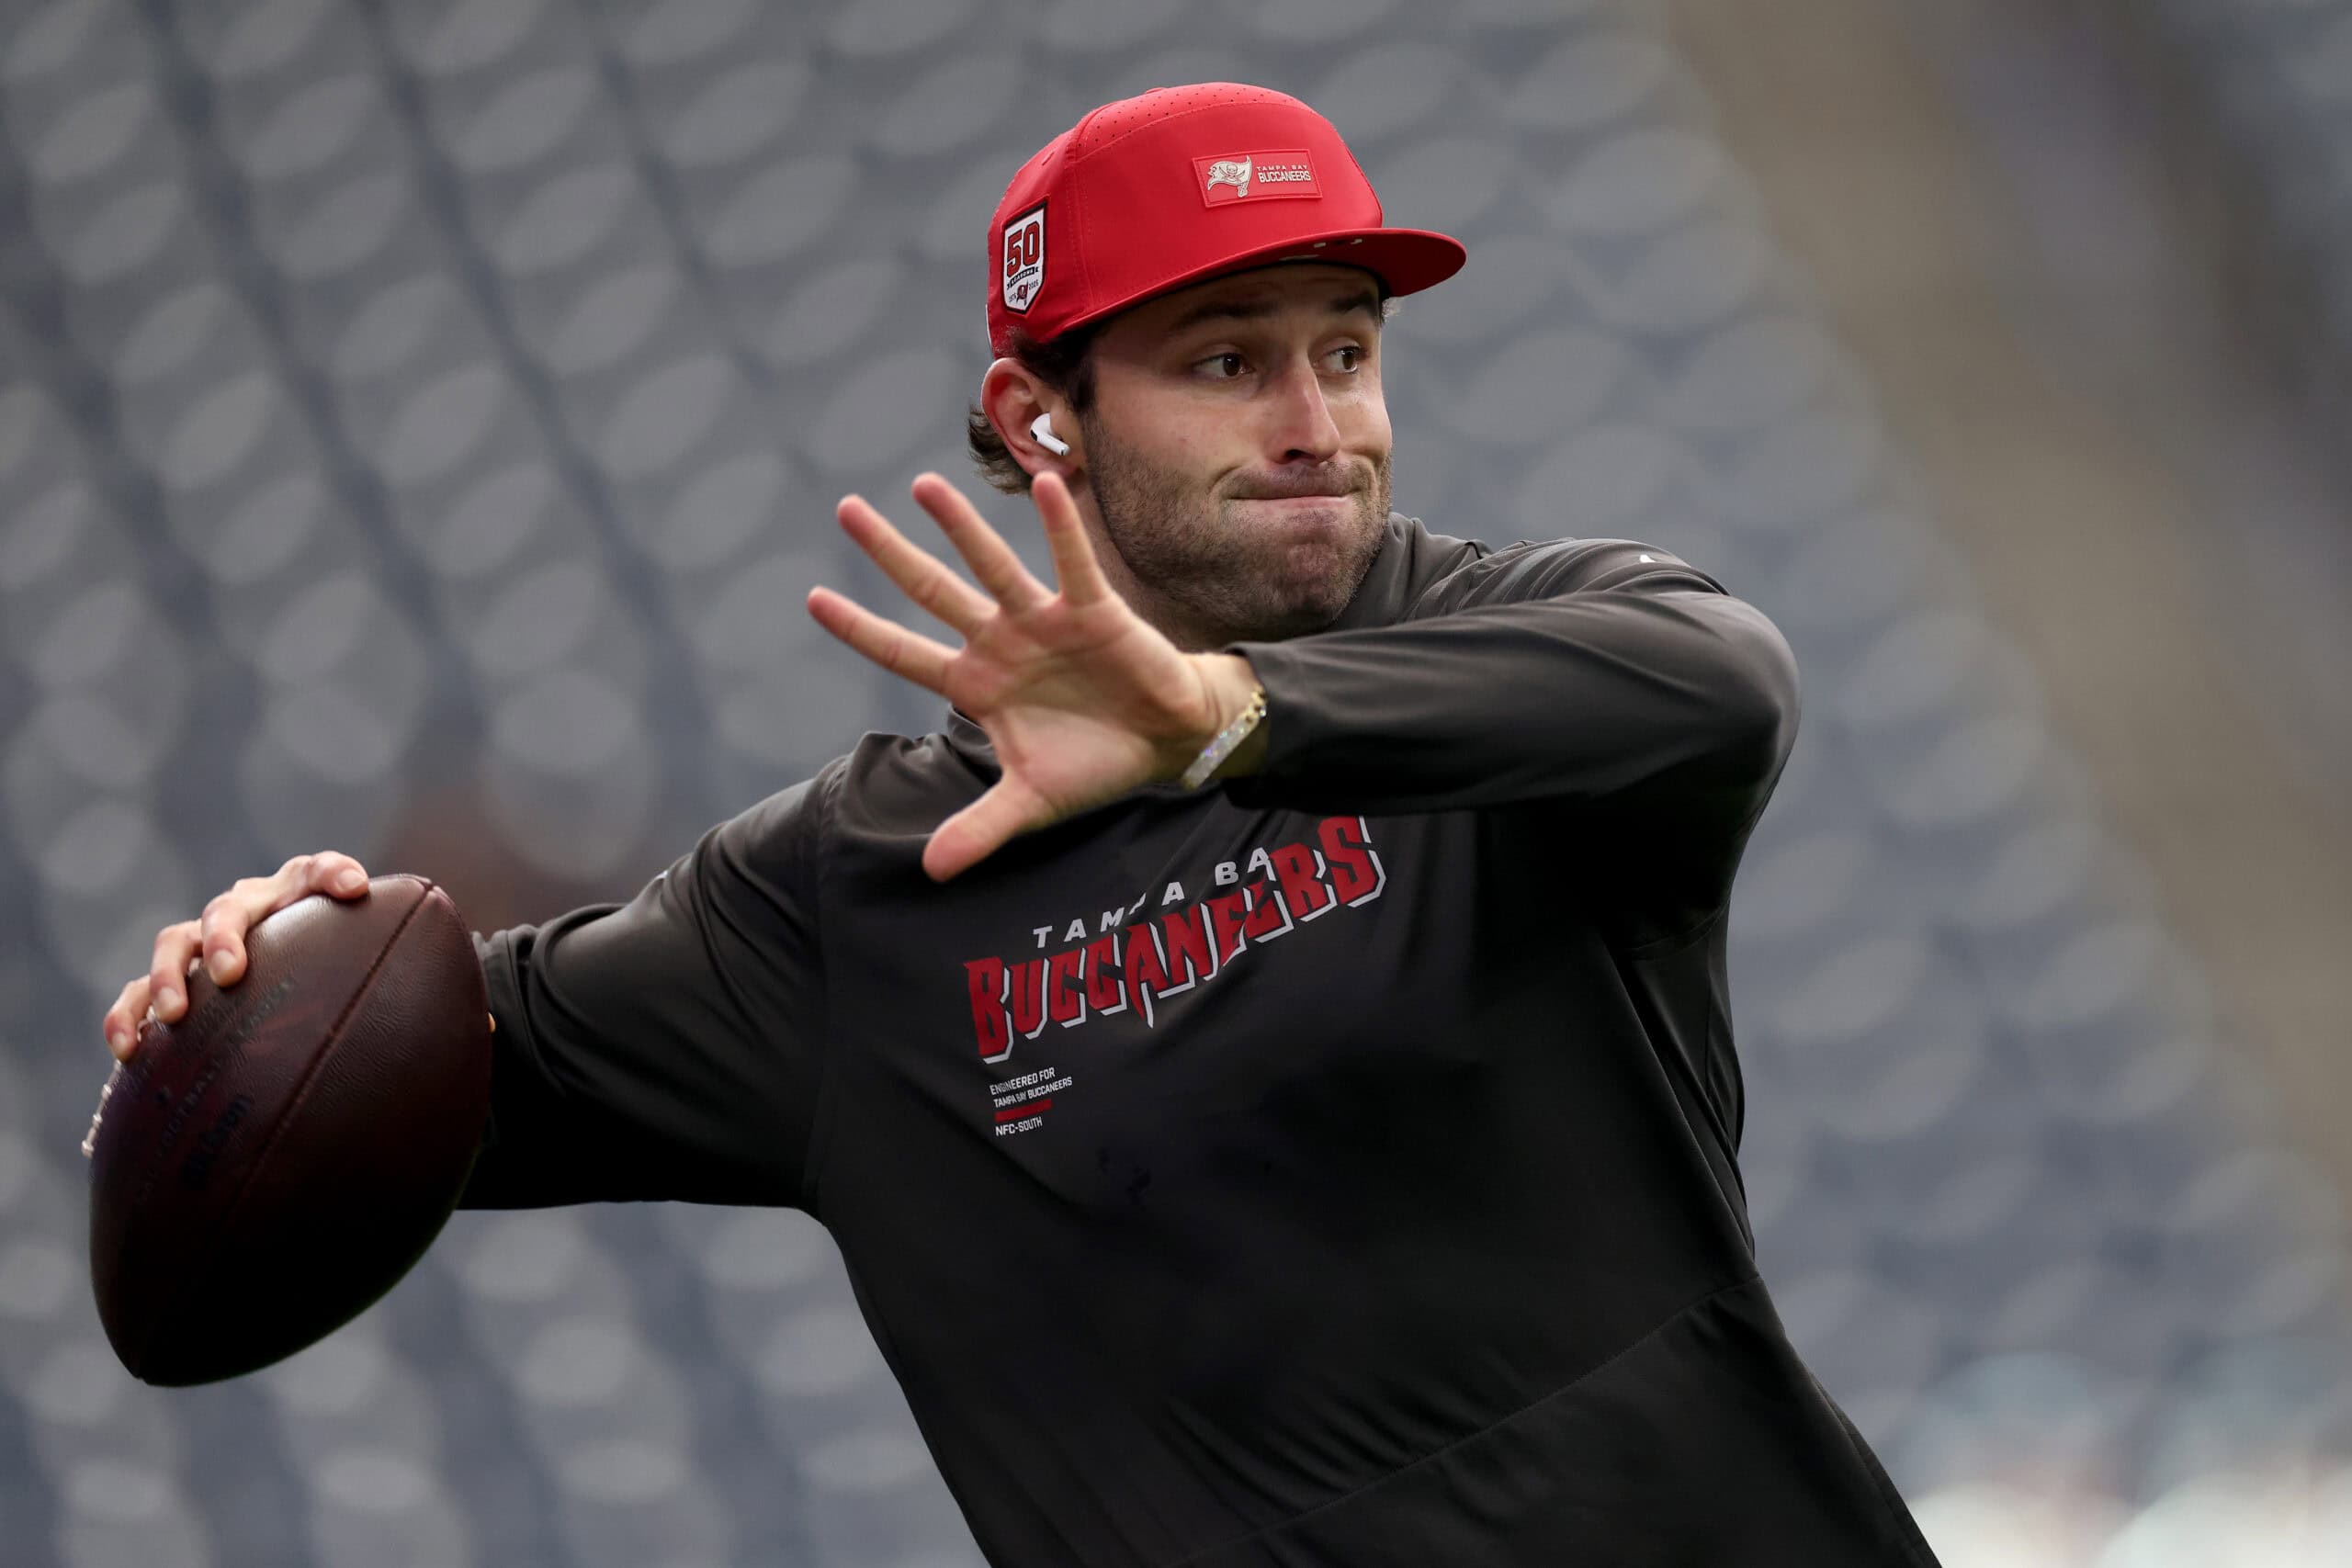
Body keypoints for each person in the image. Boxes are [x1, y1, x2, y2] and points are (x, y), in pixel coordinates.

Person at [101, 85, 1941, 1566]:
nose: (1316, 421)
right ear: (1036, 422)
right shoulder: (847, 900)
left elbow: (1718, 678)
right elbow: (406, 1061)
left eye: (1346, 350)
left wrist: (1221, 720)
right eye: (1226, 359)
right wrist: (259, 961)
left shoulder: (1505, 656)